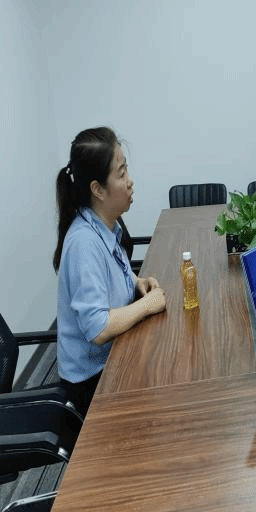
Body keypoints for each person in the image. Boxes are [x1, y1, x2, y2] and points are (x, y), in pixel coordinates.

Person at [53, 127, 166, 416]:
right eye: (121, 173)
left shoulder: (104, 225)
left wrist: (137, 282)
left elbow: (113, 272)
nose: (130, 181)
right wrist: (147, 305)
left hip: (113, 358)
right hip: (92, 383)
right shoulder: (83, 243)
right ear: (98, 189)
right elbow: (98, 328)